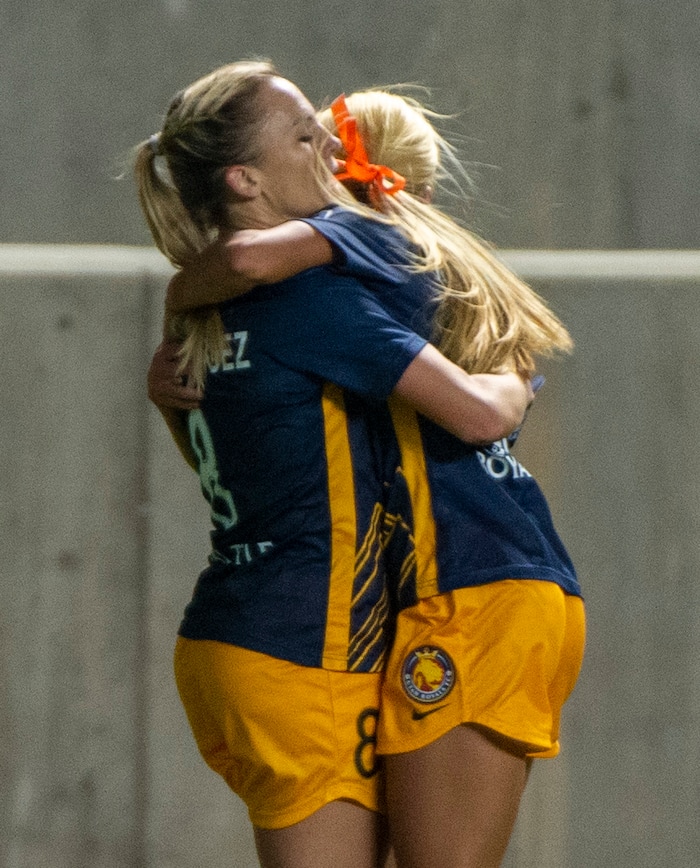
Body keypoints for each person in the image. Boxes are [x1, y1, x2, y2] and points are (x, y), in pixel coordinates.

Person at [151, 87, 585, 868]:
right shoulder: (329, 287)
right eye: (303, 135)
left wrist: (180, 294)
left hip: (443, 596)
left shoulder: (317, 275)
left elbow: (244, 267)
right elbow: (481, 414)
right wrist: (514, 385)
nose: (318, 145)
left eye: (324, 138)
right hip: (352, 624)